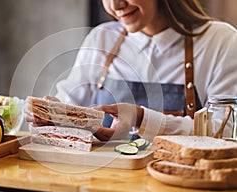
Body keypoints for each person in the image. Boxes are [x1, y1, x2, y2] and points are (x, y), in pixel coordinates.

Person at [34, 0, 237, 141]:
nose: (115, 5)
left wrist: (141, 118)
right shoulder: (102, 38)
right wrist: (51, 113)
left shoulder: (220, 41)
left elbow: (225, 131)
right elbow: (71, 107)